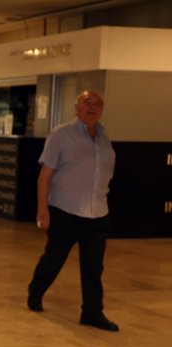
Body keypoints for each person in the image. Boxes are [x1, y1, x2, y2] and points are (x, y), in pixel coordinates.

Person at [27, 90, 118, 331]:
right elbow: (45, 176)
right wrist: (42, 209)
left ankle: (92, 312)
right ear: (77, 107)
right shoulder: (61, 134)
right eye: (87, 102)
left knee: (93, 267)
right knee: (54, 259)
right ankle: (36, 291)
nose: (93, 107)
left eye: (98, 104)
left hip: (97, 213)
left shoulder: (105, 139)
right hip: (65, 211)